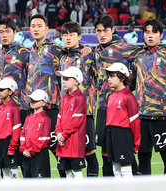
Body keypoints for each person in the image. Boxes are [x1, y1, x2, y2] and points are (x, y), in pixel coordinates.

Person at [93, 14, 141, 176]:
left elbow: (143, 55)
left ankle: (134, 178)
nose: (101, 34)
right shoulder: (97, 49)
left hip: (120, 107)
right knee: (106, 149)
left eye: (105, 30)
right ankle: (108, 183)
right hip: (102, 106)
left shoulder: (123, 46)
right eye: (98, 31)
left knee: (123, 147)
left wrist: (131, 83)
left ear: (112, 30)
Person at [134, 19, 166, 175]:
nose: (150, 35)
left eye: (154, 32)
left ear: (161, 35)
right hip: (142, 115)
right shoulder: (139, 57)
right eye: (147, 32)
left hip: (161, 115)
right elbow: (131, 83)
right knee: (143, 156)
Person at [60, 21, 98, 177]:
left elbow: (98, 76)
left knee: (89, 152)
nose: (68, 38)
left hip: (85, 111)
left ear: (79, 36)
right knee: (67, 151)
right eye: (65, 35)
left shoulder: (88, 55)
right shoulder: (62, 57)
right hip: (66, 111)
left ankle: (92, 187)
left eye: (72, 35)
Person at [103, 62, 140, 178]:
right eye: (108, 76)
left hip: (123, 134)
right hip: (111, 134)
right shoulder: (111, 96)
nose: (109, 79)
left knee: (125, 166)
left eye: (113, 76)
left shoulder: (129, 97)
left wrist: (136, 144)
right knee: (115, 166)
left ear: (122, 77)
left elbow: (135, 121)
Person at [0, 77, 22, 179]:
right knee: (4, 170)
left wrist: (12, 146)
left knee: (13, 168)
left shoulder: (14, 108)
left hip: (9, 142)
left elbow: (17, 128)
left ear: (10, 92)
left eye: (2, 90)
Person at [55, 66, 87, 179]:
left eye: (67, 79)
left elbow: (76, 121)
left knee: (76, 170)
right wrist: (58, 133)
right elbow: (59, 118)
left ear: (76, 81)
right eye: (63, 78)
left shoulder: (80, 98)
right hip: (63, 141)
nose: (63, 81)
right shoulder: (64, 98)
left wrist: (63, 135)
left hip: (74, 143)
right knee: (67, 170)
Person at [0, 18, 30, 118]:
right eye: (1, 32)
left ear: (15, 32)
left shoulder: (24, 53)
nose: (4, 35)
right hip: (2, 105)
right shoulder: (0, 52)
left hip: (19, 107)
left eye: (8, 31)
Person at [20, 89, 52, 178]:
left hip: (39, 155)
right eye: (31, 100)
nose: (32, 102)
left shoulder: (46, 119)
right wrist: (24, 149)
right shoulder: (28, 118)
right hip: (27, 154)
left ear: (43, 103)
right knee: (28, 180)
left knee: (40, 181)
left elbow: (44, 139)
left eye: (36, 100)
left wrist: (31, 151)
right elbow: (22, 135)